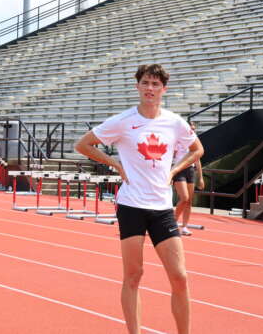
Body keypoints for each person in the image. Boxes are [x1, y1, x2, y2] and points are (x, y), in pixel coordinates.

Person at [74, 64, 203, 334]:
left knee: (180, 277)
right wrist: (116, 165)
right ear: (137, 87)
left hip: (162, 208)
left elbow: (197, 149)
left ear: (163, 89)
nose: (150, 88)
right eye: (145, 83)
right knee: (134, 275)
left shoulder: (174, 122)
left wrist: (176, 170)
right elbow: (83, 144)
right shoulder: (123, 121)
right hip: (131, 205)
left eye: (156, 84)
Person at [173, 122, 204, 236]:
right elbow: (170, 155)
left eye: (194, 129)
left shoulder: (194, 141)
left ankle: (184, 227)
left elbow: (197, 159)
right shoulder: (177, 140)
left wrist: (200, 177)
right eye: (191, 128)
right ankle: (173, 223)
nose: (193, 130)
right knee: (184, 197)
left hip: (190, 171)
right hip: (179, 170)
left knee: (189, 201)